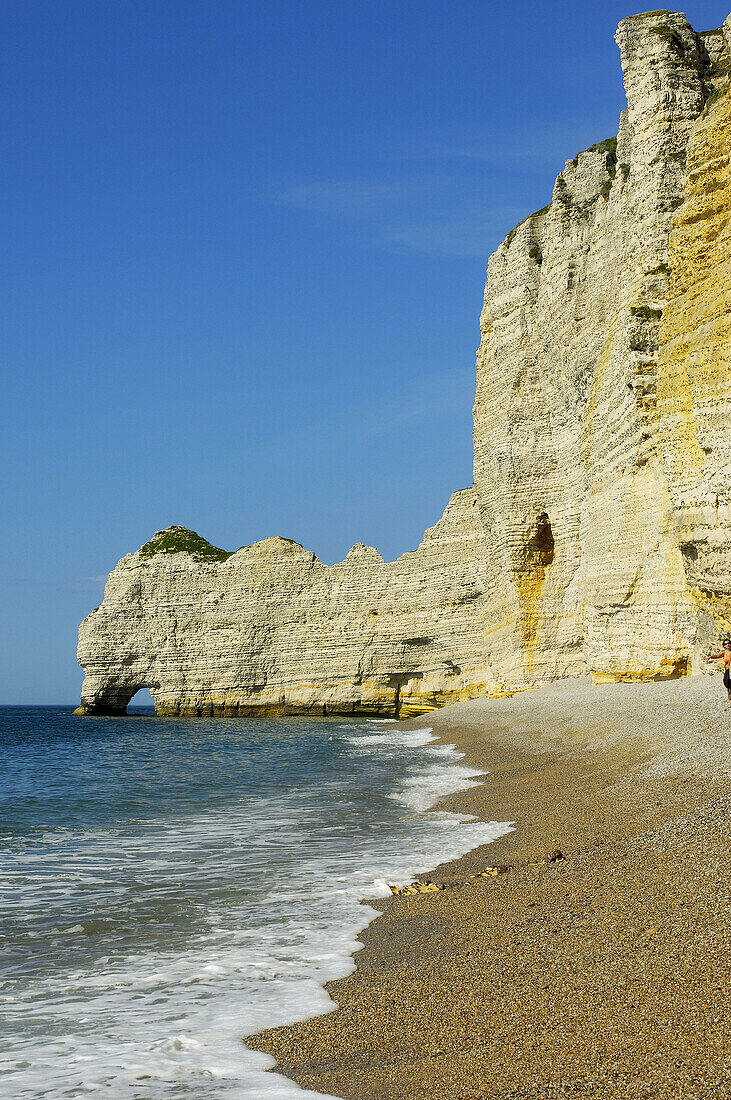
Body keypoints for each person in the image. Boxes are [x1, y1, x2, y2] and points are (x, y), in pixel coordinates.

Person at [707, 638, 731, 707]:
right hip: (727, 671)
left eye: (729, 643)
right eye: (726, 644)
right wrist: (711, 657)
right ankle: (730, 702)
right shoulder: (724, 653)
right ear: (724, 646)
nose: (728, 644)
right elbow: (717, 656)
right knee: (728, 686)